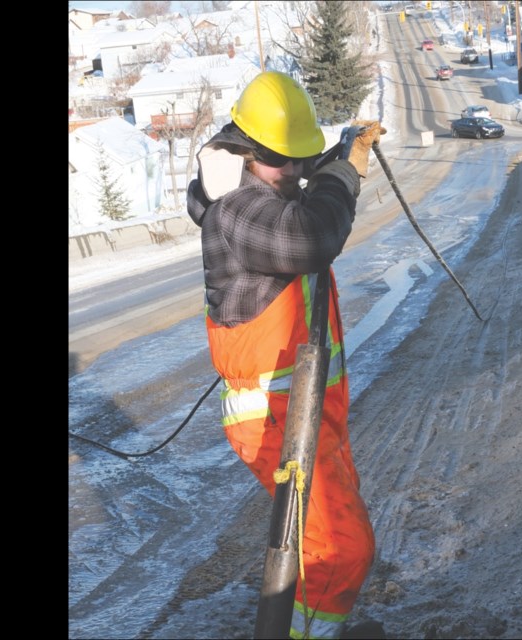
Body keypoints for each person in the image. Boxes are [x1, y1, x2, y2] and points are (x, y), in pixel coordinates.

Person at [186, 70, 386, 639]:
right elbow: (309, 239)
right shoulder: (238, 207)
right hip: (275, 415)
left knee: (318, 544)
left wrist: (336, 153)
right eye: (284, 161)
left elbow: (302, 196)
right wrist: (342, 173)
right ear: (247, 152)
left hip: (305, 410)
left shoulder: (261, 186)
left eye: (303, 160)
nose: (296, 174)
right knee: (340, 550)